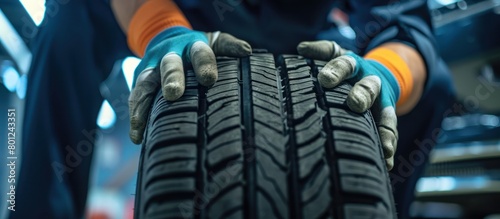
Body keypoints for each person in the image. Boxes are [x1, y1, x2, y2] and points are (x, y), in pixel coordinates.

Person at [10, 0, 455, 218]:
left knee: (430, 85)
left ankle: (371, 203)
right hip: (183, 15)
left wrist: (389, 71)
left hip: (307, 35)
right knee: (67, 24)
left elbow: (406, 25)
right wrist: (159, 29)